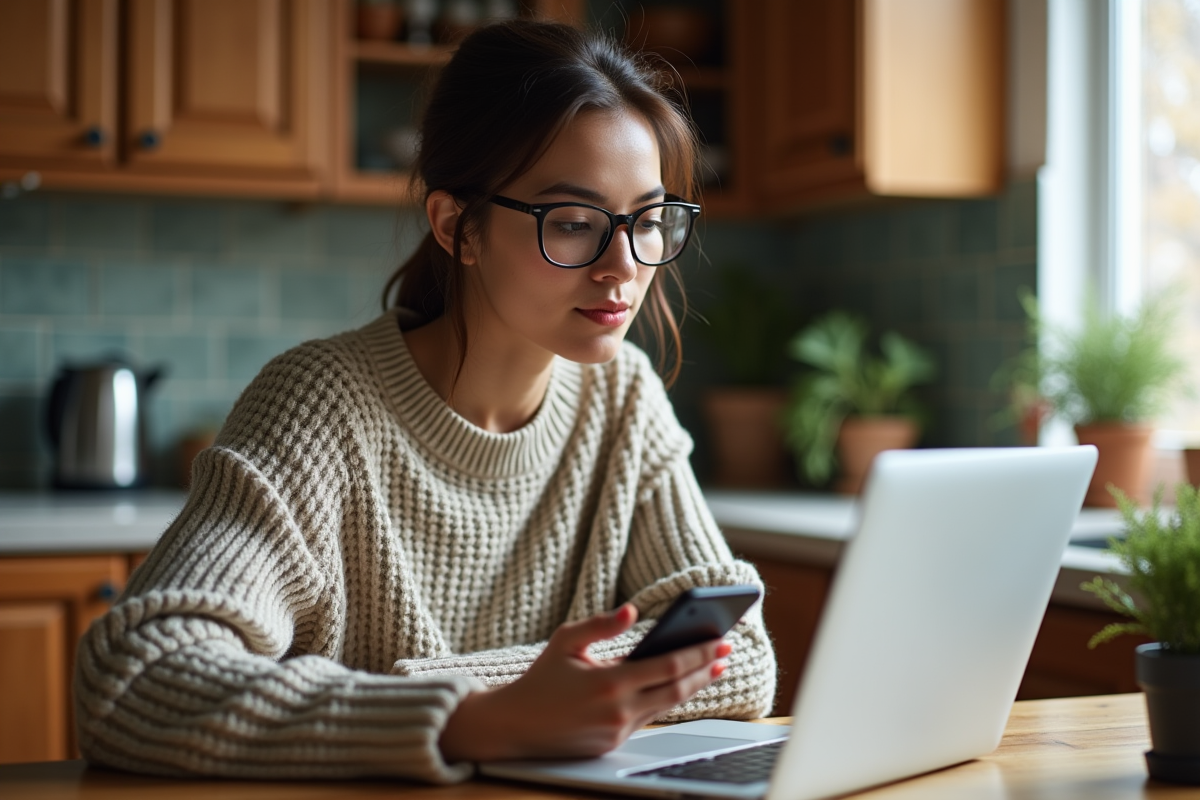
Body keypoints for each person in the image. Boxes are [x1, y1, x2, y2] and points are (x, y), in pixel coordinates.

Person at [73, 19, 776, 782]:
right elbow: (135, 676)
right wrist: (473, 718)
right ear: (457, 226)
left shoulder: (623, 396)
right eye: (574, 224)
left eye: (646, 220)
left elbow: (738, 653)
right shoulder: (322, 406)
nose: (623, 267)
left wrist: (501, 699)